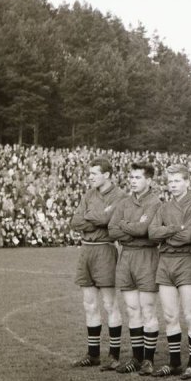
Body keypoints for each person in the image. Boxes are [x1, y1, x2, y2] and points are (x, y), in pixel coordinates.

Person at [147, 164, 191, 378]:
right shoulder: (163, 208)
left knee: (190, 315)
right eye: (170, 181)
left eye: (177, 181)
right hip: (165, 262)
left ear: (187, 182)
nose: (173, 185)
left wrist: (167, 234)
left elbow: (188, 236)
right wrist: (174, 229)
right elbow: (152, 233)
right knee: (170, 316)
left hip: (186, 261)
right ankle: (174, 363)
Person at [69, 157, 127, 368]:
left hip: (105, 249)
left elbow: (107, 220)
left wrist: (89, 217)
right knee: (89, 304)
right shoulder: (88, 194)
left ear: (107, 174)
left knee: (110, 304)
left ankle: (114, 355)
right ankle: (93, 354)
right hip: (86, 250)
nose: (90, 177)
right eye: (90, 173)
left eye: (94, 173)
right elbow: (75, 221)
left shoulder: (120, 196)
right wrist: (96, 217)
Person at [106, 162, 162, 374]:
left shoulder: (155, 202)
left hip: (146, 257)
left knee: (148, 309)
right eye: (131, 177)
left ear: (149, 180)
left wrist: (124, 226)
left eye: (138, 177)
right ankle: (136, 358)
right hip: (126, 256)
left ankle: (148, 360)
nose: (133, 181)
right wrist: (131, 230)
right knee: (132, 309)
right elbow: (112, 230)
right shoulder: (124, 202)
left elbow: (143, 230)